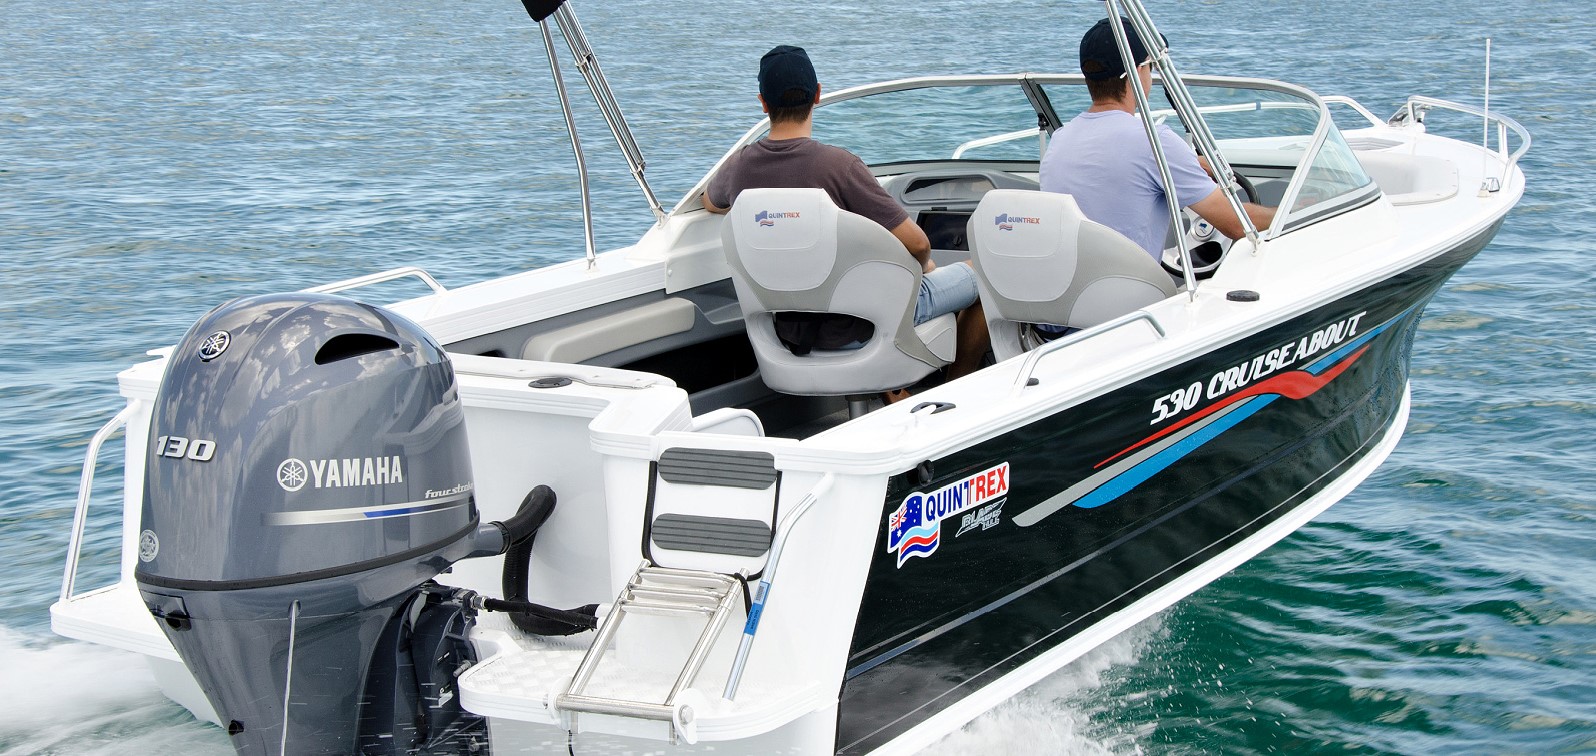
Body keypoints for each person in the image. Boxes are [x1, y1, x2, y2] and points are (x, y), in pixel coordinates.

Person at [703, 45, 989, 386]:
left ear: (763, 103)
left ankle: (897, 392)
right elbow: (917, 243)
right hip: (861, 325)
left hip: (790, 333)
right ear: (818, 95)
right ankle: (957, 389)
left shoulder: (740, 167)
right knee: (986, 273)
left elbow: (711, 201)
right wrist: (924, 267)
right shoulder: (839, 167)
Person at [1040, 18, 1275, 262]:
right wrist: (1296, 211)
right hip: (1136, 295)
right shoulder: (1156, 143)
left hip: (1077, 293)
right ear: (1138, 70)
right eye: (1150, 66)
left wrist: (1188, 163)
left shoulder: (1060, 140)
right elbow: (1237, 225)